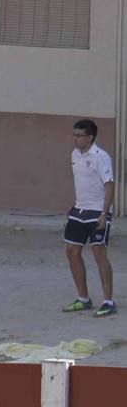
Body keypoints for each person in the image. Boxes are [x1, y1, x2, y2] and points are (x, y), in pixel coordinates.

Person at [61, 118, 116, 317]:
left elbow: (109, 184)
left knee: (98, 252)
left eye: (79, 135)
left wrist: (104, 212)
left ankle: (108, 302)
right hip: (80, 210)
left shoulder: (101, 157)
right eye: (74, 135)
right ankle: (83, 299)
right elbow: (84, 183)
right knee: (72, 251)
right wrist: (75, 205)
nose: (75, 139)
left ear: (90, 137)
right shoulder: (75, 154)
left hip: (97, 211)